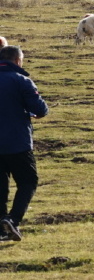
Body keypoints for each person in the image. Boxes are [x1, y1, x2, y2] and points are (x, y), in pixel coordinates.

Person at [0, 45, 49, 243]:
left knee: (0, 186)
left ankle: (1, 228)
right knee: (28, 181)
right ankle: (12, 219)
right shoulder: (21, 80)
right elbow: (40, 109)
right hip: (17, 142)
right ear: (18, 61)